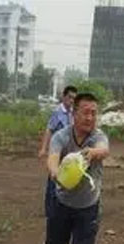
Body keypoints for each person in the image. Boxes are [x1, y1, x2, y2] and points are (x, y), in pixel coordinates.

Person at [44, 92, 110, 244]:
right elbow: (53, 158)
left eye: (94, 113)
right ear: (74, 114)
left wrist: (93, 153)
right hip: (61, 203)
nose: (90, 118)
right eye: (85, 112)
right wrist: (55, 172)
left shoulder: (97, 137)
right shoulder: (61, 136)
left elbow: (104, 150)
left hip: (88, 207)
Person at [38, 85, 76, 221]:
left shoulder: (73, 114)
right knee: (53, 179)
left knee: (66, 178)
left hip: (68, 152)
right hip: (56, 152)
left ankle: (62, 208)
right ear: (64, 97)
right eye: (70, 97)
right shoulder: (57, 113)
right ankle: (50, 210)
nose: (71, 100)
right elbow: (49, 130)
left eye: (74, 98)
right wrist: (43, 149)